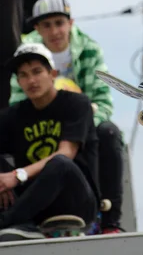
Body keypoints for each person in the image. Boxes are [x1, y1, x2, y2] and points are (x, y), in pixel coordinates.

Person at [9, 0, 124, 234]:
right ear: (37, 28)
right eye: (46, 25)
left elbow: (102, 100)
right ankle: (23, 218)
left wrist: (77, 127)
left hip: (81, 123)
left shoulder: (89, 49)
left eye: (59, 23)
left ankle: (110, 221)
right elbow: (17, 104)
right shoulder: (25, 53)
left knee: (109, 132)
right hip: (40, 127)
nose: (54, 31)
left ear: (70, 23)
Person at [0, 43, 99, 242]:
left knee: (60, 163)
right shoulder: (12, 115)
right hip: (33, 206)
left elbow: (66, 153)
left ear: (52, 73)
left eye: (37, 72)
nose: (31, 80)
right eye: (24, 75)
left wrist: (17, 175)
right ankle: (22, 223)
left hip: (76, 202)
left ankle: (6, 222)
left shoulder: (77, 104)